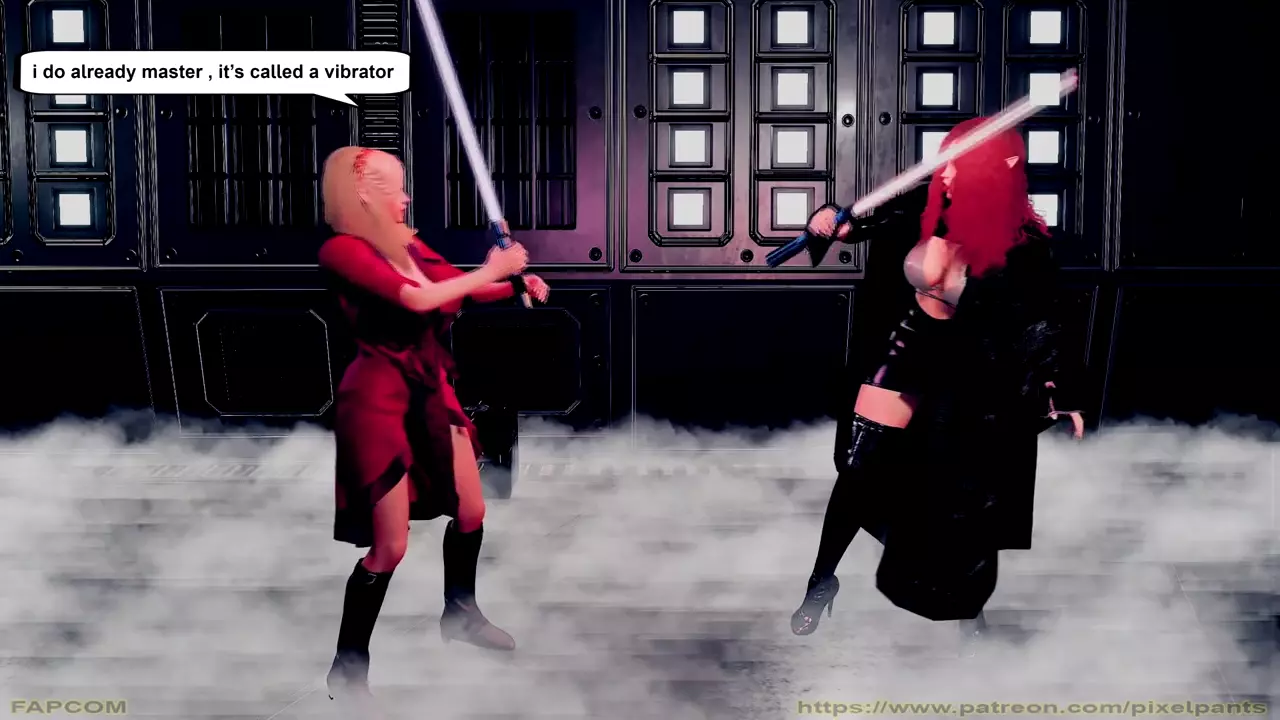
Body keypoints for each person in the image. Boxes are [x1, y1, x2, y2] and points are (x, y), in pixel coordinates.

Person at [788, 117, 1086, 641]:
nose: (945, 173)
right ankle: (821, 579)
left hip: (967, 370)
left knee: (958, 492)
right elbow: (855, 224)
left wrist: (1056, 392)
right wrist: (827, 220)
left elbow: (1041, 323)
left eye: (960, 164)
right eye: (946, 161)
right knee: (859, 469)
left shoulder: (1025, 246)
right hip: (905, 348)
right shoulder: (918, 209)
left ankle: (967, 609)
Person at [317, 146, 551, 700]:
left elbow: (458, 287)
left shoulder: (408, 245)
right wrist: (493, 270)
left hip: (429, 389)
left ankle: (460, 613)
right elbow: (416, 299)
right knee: (390, 547)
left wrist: (515, 284)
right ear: (361, 192)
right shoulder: (342, 250)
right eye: (394, 188)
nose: (405, 198)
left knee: (471, 510)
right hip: (378, 398)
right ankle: (346, 669)